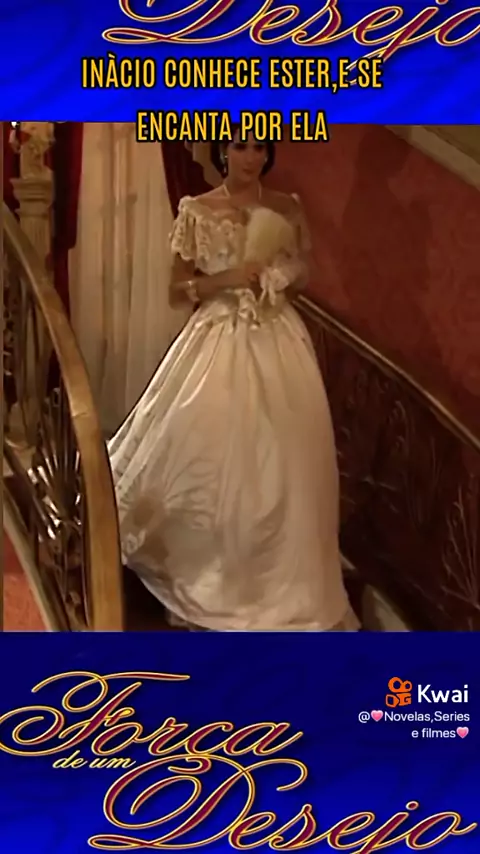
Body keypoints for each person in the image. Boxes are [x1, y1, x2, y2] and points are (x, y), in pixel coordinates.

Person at [108, 132, 358, 631]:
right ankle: (212, 571)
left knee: (287, 461)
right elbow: (177, 290)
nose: (251, 158)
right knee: (213, 453)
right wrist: (227, 280)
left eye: (260, 148)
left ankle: (282, 579)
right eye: (242, 147)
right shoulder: (198, 210)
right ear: (223, 151)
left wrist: (282, 278)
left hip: (279, 339)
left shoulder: (286, 206)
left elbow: (302, 273)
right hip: (219, 337)